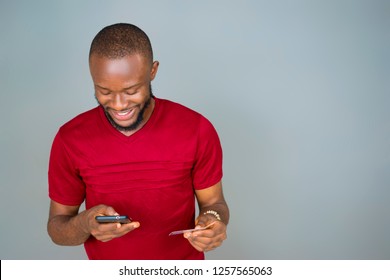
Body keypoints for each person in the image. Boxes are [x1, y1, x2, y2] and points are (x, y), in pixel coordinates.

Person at [47, 23, 229, 260]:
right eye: (104, 91)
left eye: (132, 90)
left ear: (152, 71)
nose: (119, 104)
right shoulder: (70, 139)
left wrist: (213, 222)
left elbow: (214, 202)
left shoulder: (196, 129)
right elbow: (57, 229)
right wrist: (85, 224)